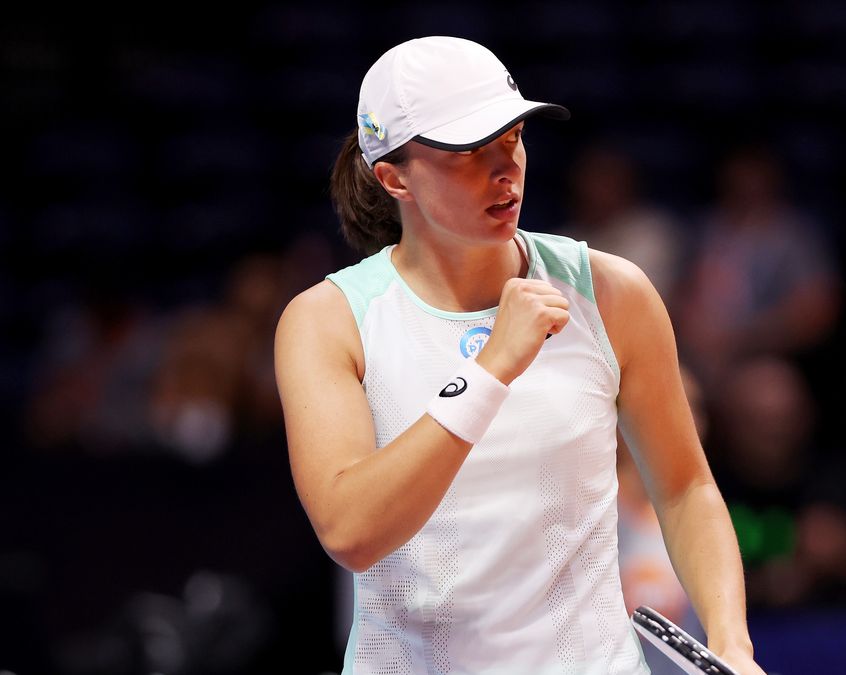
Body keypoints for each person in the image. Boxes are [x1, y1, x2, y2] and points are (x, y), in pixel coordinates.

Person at [273, 36, 765, 674]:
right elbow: (351, 532)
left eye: (512, 139)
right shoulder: (329, 320)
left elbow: (684, 488)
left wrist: (732, 642)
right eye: (467, 153)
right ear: (394, 177)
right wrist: (490, 369)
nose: (503, 169)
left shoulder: (612, 293)